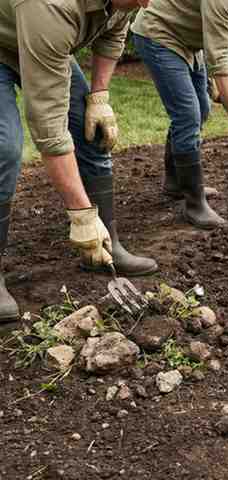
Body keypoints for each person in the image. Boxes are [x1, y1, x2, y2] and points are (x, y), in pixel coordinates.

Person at [0, 0, 157, 324]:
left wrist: (98, 97)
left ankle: (106, 246)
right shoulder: (51, 5)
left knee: (93, 131)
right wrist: (81, 214)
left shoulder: (126, 2)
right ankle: (88, 231)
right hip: (7, 40)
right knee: (4, 148)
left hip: (40, 39)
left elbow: (112, 37)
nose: (149, 2)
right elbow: (49, 129)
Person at [131, 0, 228, 230]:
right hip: (159, 34)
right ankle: (194, 204)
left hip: (189, 41)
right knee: (187, 116)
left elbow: (218, 34)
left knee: (202, 109)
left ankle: (175, 183)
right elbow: (220, 58)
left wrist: (217, 78)